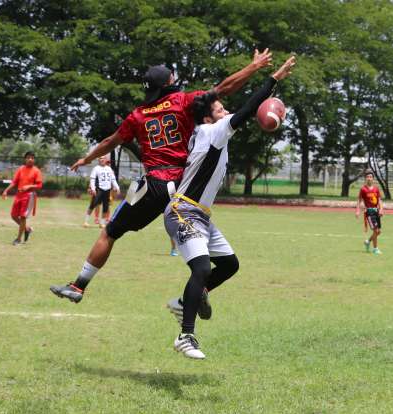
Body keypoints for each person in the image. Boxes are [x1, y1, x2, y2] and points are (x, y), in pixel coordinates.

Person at [50, 49, 274, 303]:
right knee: (201, 235)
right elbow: (223, 88)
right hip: (184, 187)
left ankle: (79, 286)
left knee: (110, 232)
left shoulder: (137, 115)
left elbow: (111, 141)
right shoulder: (182, 101)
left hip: (152, 184)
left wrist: (87, 159)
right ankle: (201, 288)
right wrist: (254, 67)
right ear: (169, 82)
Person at [163, 56, 296, 359]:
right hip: (184, 210)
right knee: (200, 267)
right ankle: (186, 335)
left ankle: (187, 300)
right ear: (209, 118)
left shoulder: (206, 133)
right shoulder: (213, 132)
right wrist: (273, 79)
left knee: (230, 265)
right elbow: (249, 108)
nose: (227, 111)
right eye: (221, 109)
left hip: (200, 215)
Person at [2, 151, 43, 245]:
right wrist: (6, 190)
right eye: (28, 157)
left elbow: (39, 185)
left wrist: (28, 186)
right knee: (13, 216)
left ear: (34, 160)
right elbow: (14, 182)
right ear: (25, 159)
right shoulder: (20, 169)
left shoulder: (36, 171)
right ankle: (27, 229)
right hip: (19, 195)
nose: (30, 159)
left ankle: (18, 239)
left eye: (32, 158)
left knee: (23, 217)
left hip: (29, 196)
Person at [84, 155, 120, 228]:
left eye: (103, 158)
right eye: (100, 158)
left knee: (106, 206)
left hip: (107, 190)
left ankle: (102, 223)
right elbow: (92, 179)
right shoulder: (96, 168)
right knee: (93, 205)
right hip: (99, 189)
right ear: (98, 160)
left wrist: (117, 187)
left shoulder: (109, 169)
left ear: (106, 160)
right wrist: (93, 189)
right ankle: (86, 221)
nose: (102, 160)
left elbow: (113, 179)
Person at [355, 170, 383, 254]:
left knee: (378, 232)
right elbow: (359, 200)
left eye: (371, 177)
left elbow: (379, 200)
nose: (369, 178)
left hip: (376, 212)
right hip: (369, 212)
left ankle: (368, 241)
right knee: (375, 230)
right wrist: (357, 210)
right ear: (365, 178)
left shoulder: (376, 189)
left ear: (373, 179)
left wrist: (381, 209)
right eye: (367, 177)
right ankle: (375, 249)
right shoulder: (363, 189)